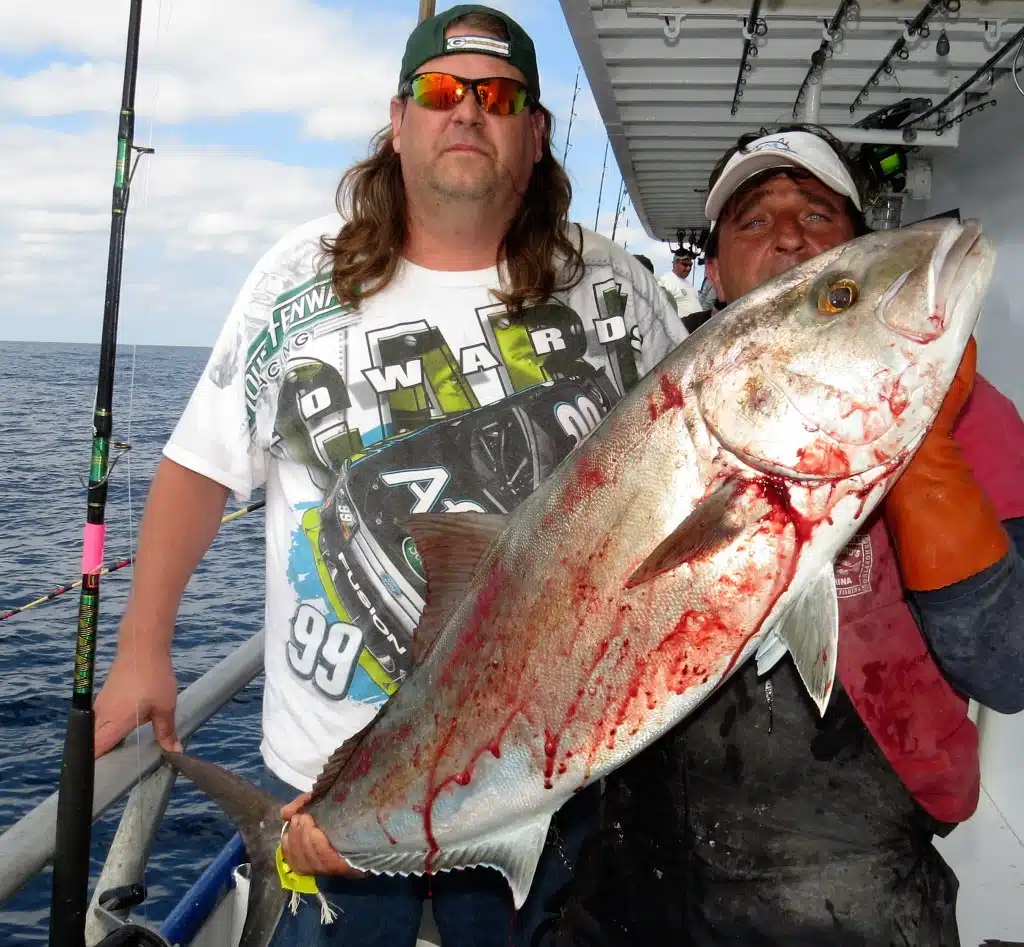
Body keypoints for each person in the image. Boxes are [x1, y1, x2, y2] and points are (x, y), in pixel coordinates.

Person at [91, 5, 685, 946]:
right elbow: (200, 468)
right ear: (399, 121)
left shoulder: (616, 288)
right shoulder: (296, 278)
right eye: (442, 91)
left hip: (543, 775)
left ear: (535, 134)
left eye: (498, 98)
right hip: (331, 791)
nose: (468, 112)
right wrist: (141, 649)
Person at [540, 125, 1024, 946]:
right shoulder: (642, 427)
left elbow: (1009, 666)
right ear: (716, 271)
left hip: (857, 885)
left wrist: (921, 454)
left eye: (818, 214)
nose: (790, 236)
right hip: (634, 867)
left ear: (858, 247)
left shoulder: (967, 411)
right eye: (754, 220)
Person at [657, 247, 703, 326]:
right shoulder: (664, 281)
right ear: (675, 263)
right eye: (684, 264)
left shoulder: (689, 284)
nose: (688, 268)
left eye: (690, 265)